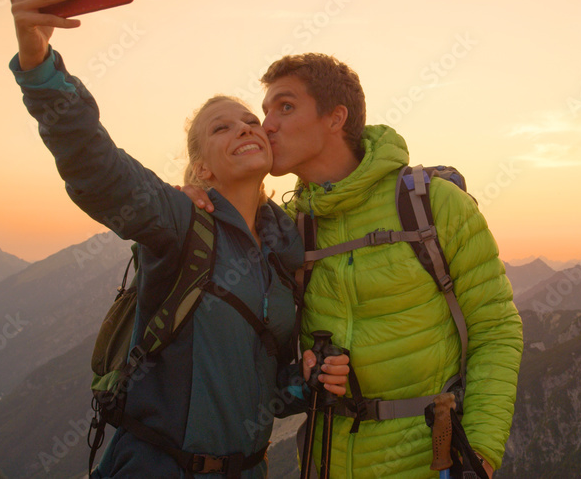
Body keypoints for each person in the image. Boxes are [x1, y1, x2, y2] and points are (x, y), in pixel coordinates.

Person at [8, 0, 348, 478]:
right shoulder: (180, 219)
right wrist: (38, 62)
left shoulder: (286, 248)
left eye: (251, 121)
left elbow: (266, 392)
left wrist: (307, 381)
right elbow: (95, 165)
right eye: (222, 127)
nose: (246, 128)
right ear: (202, 166)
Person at [184, 53, 524, 478]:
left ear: (335, 118)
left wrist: (481, 454)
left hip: (429, 460)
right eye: (266, 110)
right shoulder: (288, 232)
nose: (266, 125)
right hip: (326, 463)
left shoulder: (432, 205)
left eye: (285, 107)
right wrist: (198, 199)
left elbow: (495, 328)